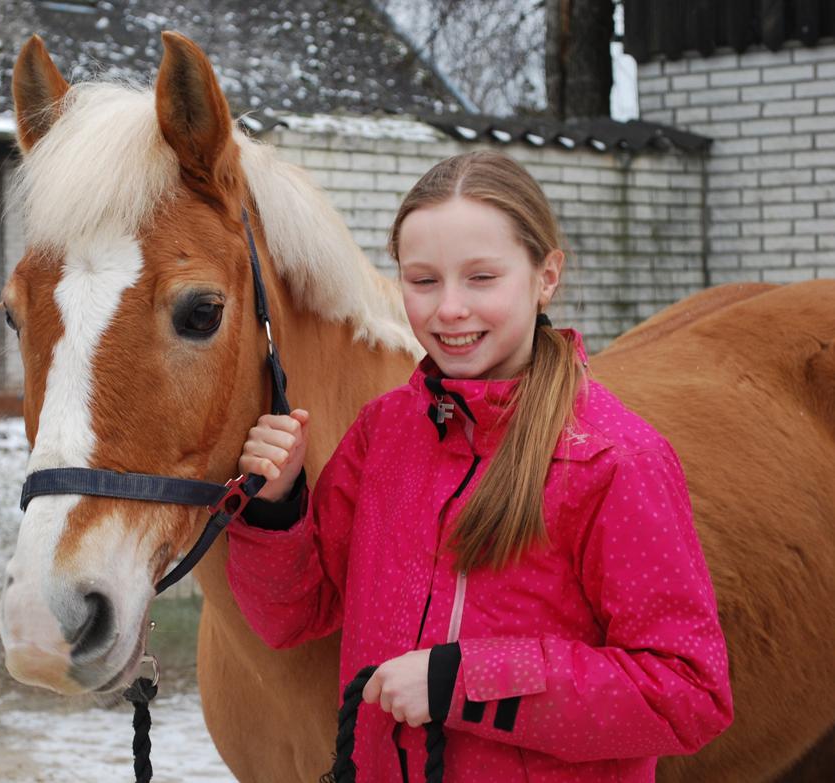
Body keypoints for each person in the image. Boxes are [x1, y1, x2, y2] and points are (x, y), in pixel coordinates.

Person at [225, 150, 733, 781]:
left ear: (546, 276)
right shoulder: (382, 435)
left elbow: (687, 694)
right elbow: (292, 616)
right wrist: (278, 507)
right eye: (423, 280)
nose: (449, 310)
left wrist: (459, 682)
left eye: (482, 279)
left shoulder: (615, 461)